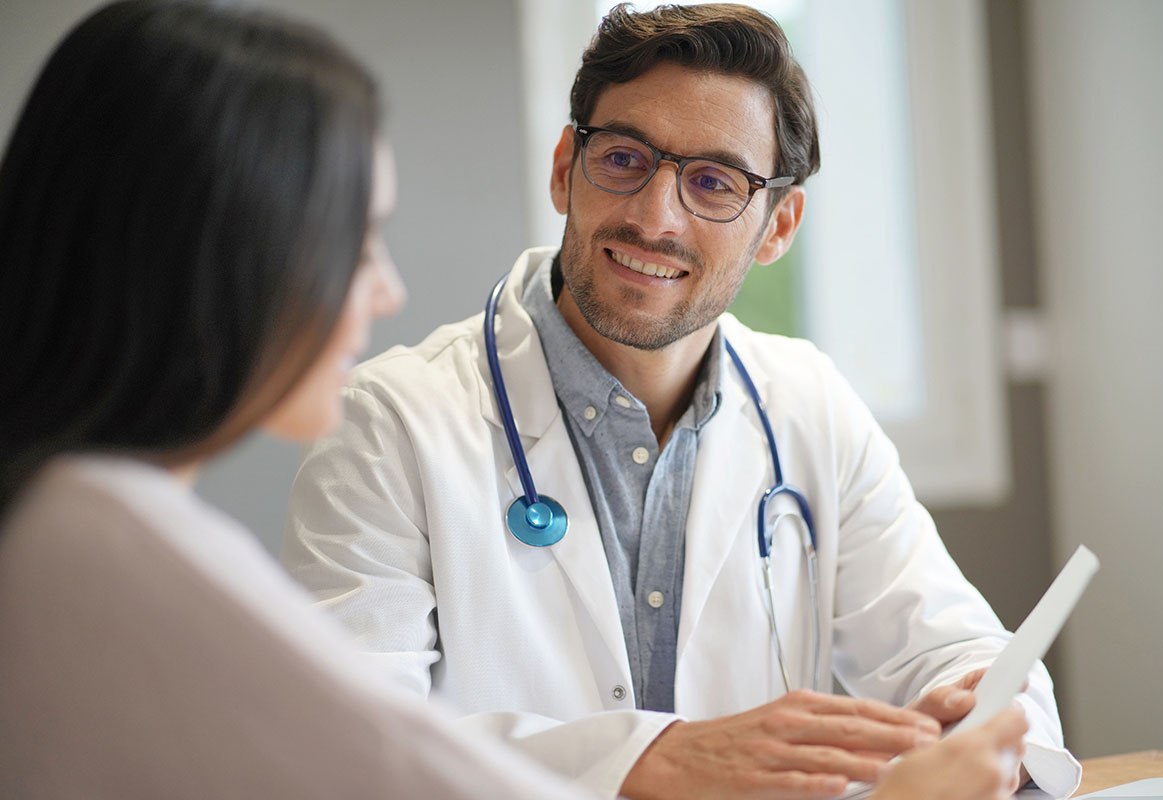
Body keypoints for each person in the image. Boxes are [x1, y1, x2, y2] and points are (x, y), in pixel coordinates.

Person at [279, 4, 1081, 800]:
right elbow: (341, 747)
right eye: (625, 158)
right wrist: (646, 761)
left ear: (778, 226)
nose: (655, 216)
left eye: (713, 182)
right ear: (565, 167)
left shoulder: (810, 405)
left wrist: (983, 726)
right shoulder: (388, 421)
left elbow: (957, 650)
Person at [0, 2, 599, 797]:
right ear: (224, 252)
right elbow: (400, 769)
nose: (390, 290)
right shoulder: (99, 530)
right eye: (354, 246)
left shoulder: (58, 511)